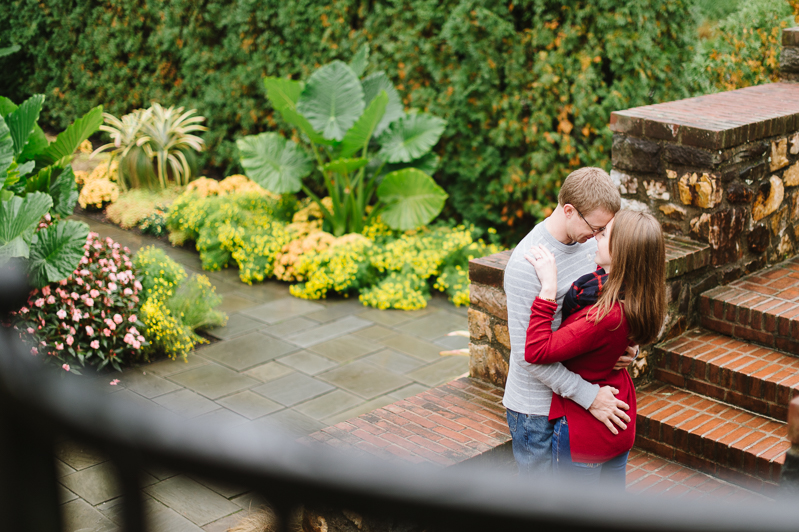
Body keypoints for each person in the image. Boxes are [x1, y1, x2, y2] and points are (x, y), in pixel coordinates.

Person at [502, 167, 636, 476]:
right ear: (569, 210)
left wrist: (628, 349)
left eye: (605, 230)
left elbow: (605, 313)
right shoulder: (525, 266)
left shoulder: (592, 245)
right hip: (536, 412)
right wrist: (590, 397)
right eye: (596, 227)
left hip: (572, 405)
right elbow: (529, 357)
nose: (599, 236)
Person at [524, 210, 666, 486]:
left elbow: (536, 351)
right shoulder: (640, 294)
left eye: (603, 235)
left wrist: (548, 290)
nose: (594, 238)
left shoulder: (604, 316)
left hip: (587, 431)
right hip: (620, 418)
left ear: (621, 252)